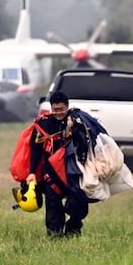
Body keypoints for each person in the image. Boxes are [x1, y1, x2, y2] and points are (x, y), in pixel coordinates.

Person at [26, 90, 92, 238]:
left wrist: (74, 133)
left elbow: (85, 146)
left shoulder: (76, 122)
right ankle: (54, 235)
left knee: (77, 203)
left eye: (61, 109)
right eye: (55, 109)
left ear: (67, 107)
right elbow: (35, 149)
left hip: (73, 172)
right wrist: (31, 172)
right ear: (51, 108)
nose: (58, 113)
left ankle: (73, 229)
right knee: (53, 204)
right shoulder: (43, 124)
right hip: (51, 173)